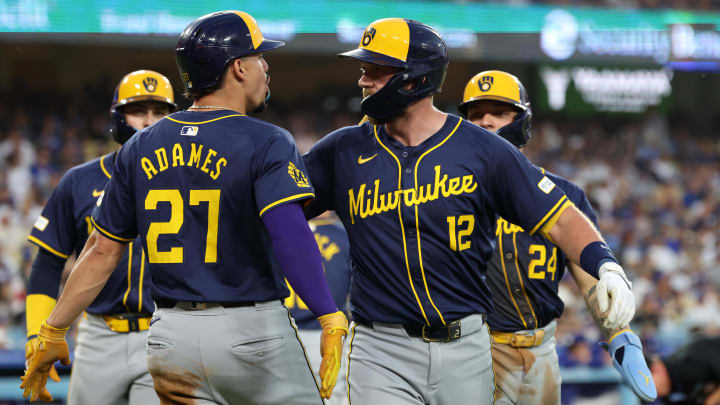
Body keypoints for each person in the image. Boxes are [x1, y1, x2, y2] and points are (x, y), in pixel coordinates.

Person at [21, 10, 347, 404]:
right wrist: (327, 314)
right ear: (239, 68)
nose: (266, 67)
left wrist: (53, 329)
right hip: (251, 331)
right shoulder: (268, 140)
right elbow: (289, 233)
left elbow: (101, 249)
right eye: (261, 57)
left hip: (169, 337)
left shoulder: (139, 146)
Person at [303, 18, 635, 405]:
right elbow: (278, 210)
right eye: (364, 70)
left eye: (376, 70)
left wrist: (604, 263)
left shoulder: (483, 150)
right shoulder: (341, 150)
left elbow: (560, 216)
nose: (364, 81)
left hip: (466, 346)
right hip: (380, 348)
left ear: (415, 79)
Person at [457, 70, 657, 404]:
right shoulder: (447, 192)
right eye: (475, 114)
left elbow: (589, 277)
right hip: (474, 351)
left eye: (499, 112)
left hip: (541, 351)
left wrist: (618, 331)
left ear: (522, 120)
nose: (485, 121)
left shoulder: (564, 195)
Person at [24, 69, 176, 404]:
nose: (149, 121)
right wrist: (37, 332)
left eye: (160, 112)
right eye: (138, 111)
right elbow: (47, 264)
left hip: (165, 332)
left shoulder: (191, 179)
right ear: (118, 118)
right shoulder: (79, 180)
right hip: (97, 335)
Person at [288, 212, 352, 405]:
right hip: (327, 336)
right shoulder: (343, 236)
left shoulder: (280, 231)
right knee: (331, 396)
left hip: (283, 332)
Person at [647, 335, 720, 405]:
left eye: (648, 385)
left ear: (657, 367)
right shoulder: (669, 394)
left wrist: (711, 400)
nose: (649, 393)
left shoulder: (689, 362)